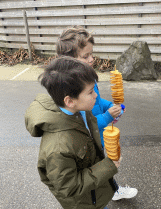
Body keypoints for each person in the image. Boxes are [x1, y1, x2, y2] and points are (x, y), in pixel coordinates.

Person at [25, 57, 121, 209]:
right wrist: (109, 166)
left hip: (85, 184)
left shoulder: (79, 110)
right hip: (80, 190)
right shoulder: (58, 148)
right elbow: (71, 187)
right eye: (90, 92)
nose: (95, 95)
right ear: (69, 100)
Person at [56, 26, 138, 200]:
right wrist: (108, 116)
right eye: (85, 56)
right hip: (88, 143)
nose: (92, 59)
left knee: (103, 166)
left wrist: (110, 106)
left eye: (91, 54)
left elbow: (97, 100)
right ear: (69, 61)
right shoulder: (72, 92)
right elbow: (86, 125)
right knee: (97, 171)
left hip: (99, 138)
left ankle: (111, 191)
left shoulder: (89, 77)